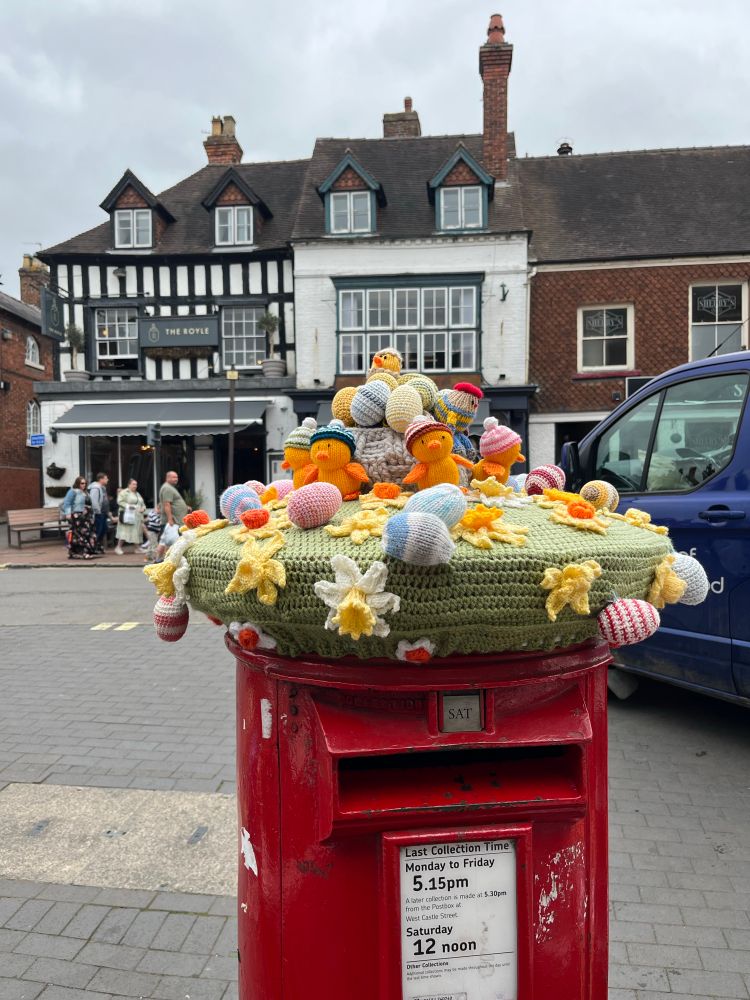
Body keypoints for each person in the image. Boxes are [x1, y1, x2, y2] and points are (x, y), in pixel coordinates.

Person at [154, 470, 189, 562]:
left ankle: (159, 559)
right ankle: (161, 559)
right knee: (168, 541)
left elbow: (173, 502)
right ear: (167, 478)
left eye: (176, 477)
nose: (176, 479)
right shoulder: (167, 488)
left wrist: (185, 507)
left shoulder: (170, 488)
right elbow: (166, 504)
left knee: (164, 541)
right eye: (173, 477)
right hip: (172, 521)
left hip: (175, 520)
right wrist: (170, 519)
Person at [61, 476, 97, 560]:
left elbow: (89, 504)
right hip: (77, 516)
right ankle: (84, 552)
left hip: (86, 517)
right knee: (80, 534)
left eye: (85, 483)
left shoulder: (85, 492)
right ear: (77, 483)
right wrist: (68, 513)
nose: (84, 485)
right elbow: (67, 503)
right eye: (82, 483)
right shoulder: (73, 491)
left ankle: (72, 552)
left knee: (83, 534)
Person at [114, 478, 146, 555]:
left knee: (136, 532)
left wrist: (143, 508)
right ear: (129, 485)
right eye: (133, 484)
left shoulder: (137, 494)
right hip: (127, 515)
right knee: (124, 531)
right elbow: (120, 501)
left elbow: (142, 503)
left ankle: (137, 548)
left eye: (136, 484)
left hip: (137, 517)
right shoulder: (124, 492)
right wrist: (130, 506)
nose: (135, 486)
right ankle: (118, 547)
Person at [89, 472, 113, 554]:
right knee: (98, 531)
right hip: (98, 513)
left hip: (103, 513)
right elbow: (94, 501)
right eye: (106, 478)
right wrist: (97, 511)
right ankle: (93, 547)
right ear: (101, 479)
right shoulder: (95, 488)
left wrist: (107, 511)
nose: (108, 480)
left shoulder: (103, 488)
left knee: (103, 530)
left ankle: (98, 546)